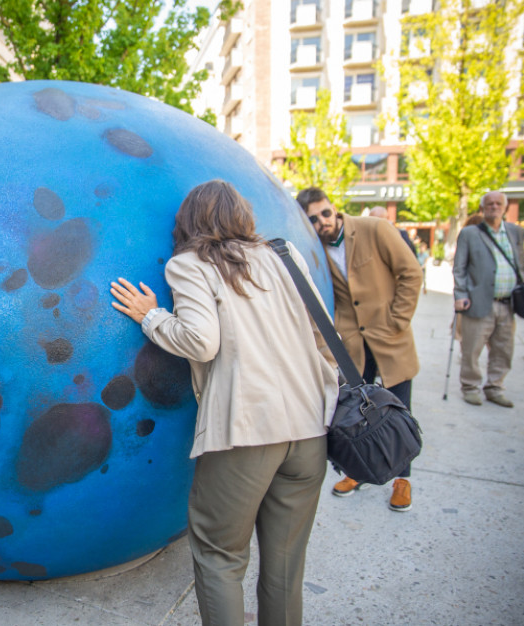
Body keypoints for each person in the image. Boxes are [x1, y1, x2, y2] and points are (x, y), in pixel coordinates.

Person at [110, 180, 338, 626]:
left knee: (219, 557)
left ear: (189, 221)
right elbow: (324, 335)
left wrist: (150, 316)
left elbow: (201, 341)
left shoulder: (189, 265)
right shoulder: (284, 256)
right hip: (311, 428)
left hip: (247, 432)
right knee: (286, 563)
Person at [297, 187, 422, 512]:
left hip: (390, 337)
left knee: (399, 411)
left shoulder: (376, 229)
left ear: (334, 208)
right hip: (353, 346)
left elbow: (411, 273)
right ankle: (358, 472)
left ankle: (402, 481)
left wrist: (397, 320)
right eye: (313, 218)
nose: (322, 221)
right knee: (356, 412)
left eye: (325, 212)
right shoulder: (315, 249)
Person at [452, 190, 524, 408]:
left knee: (504, 349)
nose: (494, 206)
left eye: (498, 203)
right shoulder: (470, 234)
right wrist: (460, 295)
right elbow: (459, 268)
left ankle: (495, 387)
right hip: (478, 301)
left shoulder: (516, 232)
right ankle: (470, 387)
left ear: (504, 207)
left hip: (508, 302)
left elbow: (520, 263)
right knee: (472, 349)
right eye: (489, 203)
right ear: (483, 208)